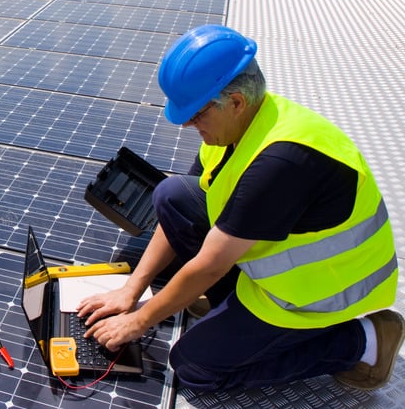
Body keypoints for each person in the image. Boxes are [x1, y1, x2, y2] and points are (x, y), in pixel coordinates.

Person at [77, 24, 403, 391]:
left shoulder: (280, 162)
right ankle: (230, 310)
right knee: (171, 195)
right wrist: (131, 289)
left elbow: (210, 264)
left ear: (235, 101)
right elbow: (182, 213)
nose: (187, 124)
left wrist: (139, 321)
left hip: (313, 295)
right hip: (274, 264)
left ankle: (363, 342)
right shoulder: (240, 125)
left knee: (194, 367)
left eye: (197, 115)